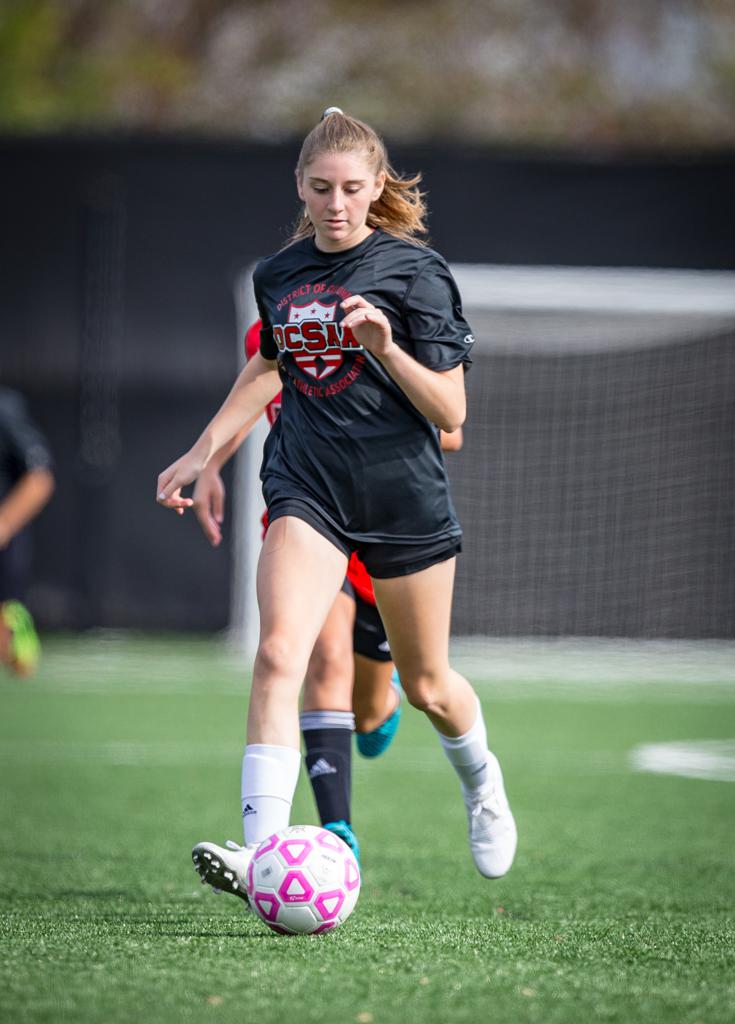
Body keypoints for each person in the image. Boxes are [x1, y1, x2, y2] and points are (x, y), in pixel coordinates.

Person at [157, 107, 517, 902]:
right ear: (300, 186)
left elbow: (452, 415)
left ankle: (482, 782)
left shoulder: (418, 275)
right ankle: (262, 856)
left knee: (426, 687)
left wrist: (388, 348)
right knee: (280, 652)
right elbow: (269, 367)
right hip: (306, 488)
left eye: (352, 188)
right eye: (320, 188)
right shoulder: (278, 274)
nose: (336, 204)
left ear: (377, 186)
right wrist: (203, 449)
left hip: (402, 499)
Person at [0, 387, 55, 676]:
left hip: (6, 562)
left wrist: (4, 523)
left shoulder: (5, 409)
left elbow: (40, 478)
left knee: (18, 660)